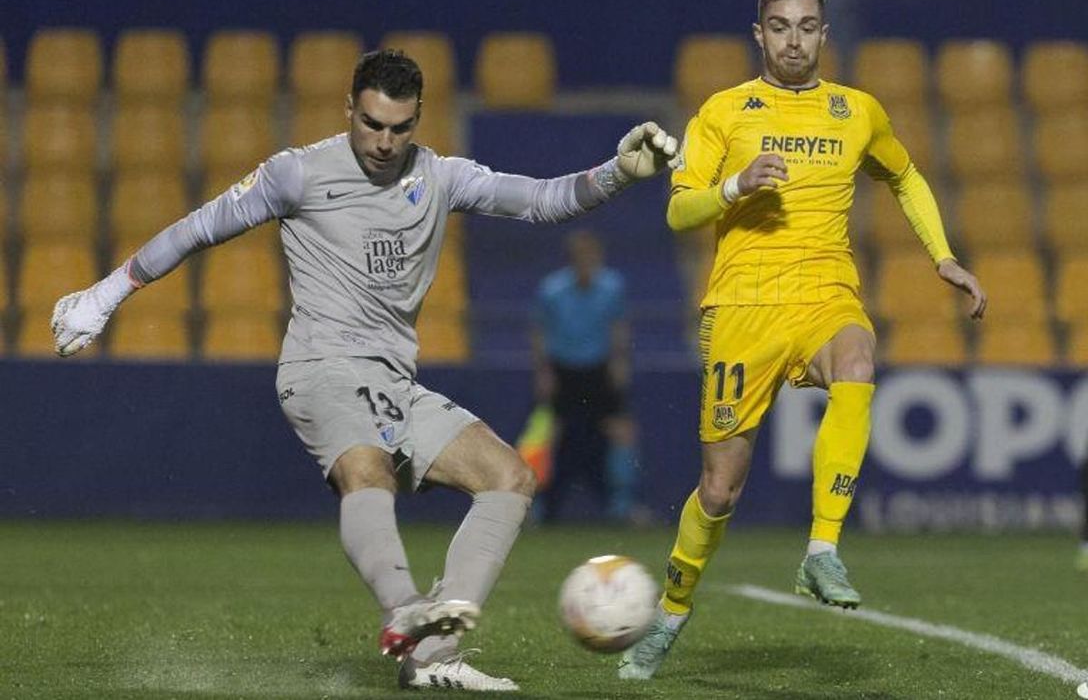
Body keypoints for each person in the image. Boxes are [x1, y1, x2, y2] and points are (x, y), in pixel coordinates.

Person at [51, 49, 678, 693]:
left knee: (508, 478)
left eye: (399, 128)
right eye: (371, 123)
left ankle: (433, 656)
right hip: (320, 366)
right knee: (366, 466)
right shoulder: (296, 174)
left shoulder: (442, 177)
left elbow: (543, 200)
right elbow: (196, 230)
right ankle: (403, 607)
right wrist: (105, 295)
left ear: (418, 120)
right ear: (349, 109)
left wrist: (618, 174)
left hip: (394, 381)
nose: (383, 141)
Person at [618, 0, 987, 681]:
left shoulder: (857, 111)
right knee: (720, 487)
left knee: (858, 360)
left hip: (825, 294)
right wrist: (735, 186)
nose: (794, 39)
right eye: (780, 26)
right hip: (742, 308)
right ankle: (670, 611)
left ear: (825, 34)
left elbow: (905, 176)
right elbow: (677, 210)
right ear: (760, 36)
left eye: (807, 26)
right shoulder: (723, 111)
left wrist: (943, 257)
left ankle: (821, 549)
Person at [531, 230, 641, 523]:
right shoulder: (552, 290)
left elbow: (618, 327)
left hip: (599, 368)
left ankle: (623, 504)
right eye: (580, 257)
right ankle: (538, 503)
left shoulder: (612, 287)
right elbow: (540, 332)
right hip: (563, 369)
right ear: (571, 259)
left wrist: (619, 362)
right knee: (548, 435)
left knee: (620, 431)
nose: (586, 262)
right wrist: (544, 371)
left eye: (590, 256)